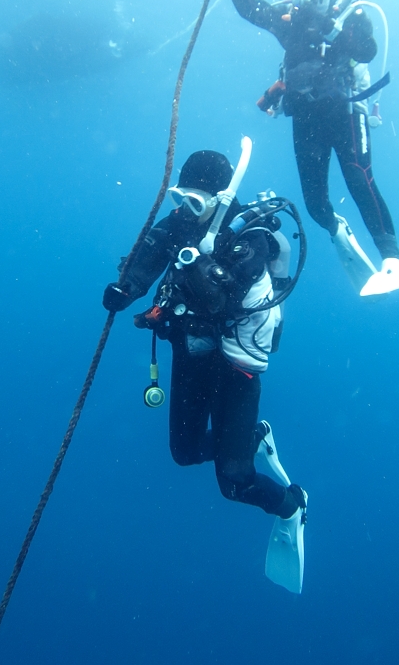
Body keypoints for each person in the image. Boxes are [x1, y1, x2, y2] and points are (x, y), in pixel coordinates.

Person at [103, 148, 307, 591]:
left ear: (219, 199)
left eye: (195, 203)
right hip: (192, 357)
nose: (184, 211)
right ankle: (253, 437)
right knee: (184, 452)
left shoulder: (250, 238)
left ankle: (292, 505)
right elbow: (150, 255)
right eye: (180, 199)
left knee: (234, 482)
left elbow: (219, 300)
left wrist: (198, 260)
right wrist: (128, 288)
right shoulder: (181, 223)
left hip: (237, 370)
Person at [210, 0, 399, 296]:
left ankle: (392, 259)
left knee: (359, 181)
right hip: (306, 117)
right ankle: (336, 228)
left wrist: (336, 29)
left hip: (346, 111)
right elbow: (246, 6)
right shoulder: (288, 19)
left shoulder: (349, 11)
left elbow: (368, 51)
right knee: (315, 203)